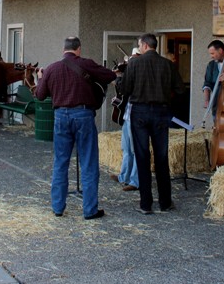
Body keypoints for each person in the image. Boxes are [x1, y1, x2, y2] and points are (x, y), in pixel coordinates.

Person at [35, 36, 116, 220]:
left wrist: (40, 78)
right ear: (78, 49)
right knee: (88, 162)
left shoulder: (52, 68)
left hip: (60, 117)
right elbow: (110, 76)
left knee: (61, 162)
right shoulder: (86, 64)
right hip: (83, 115)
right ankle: (89, 210)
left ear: (64, 49)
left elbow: (39, 95)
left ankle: (58, 207)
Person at [122, 33, 184, 215]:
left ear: (144, 45)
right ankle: (165, 202)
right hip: (161, 111)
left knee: (142, 157)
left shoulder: (134, 63)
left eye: (140, 45)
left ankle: (145, 204)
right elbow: (180, 90)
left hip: (139, 111)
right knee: (161, 158)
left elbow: (125, 89)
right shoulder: (167, 65)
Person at [111, 48, 139, 192]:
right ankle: (124, 176)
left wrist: (119, 77)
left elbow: (126, 88)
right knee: (127, 149)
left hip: (136, 117)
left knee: (135, 149)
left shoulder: (139, 74)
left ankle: (135, 181)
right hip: (128, 115)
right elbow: (122, 92)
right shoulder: (130, 72)